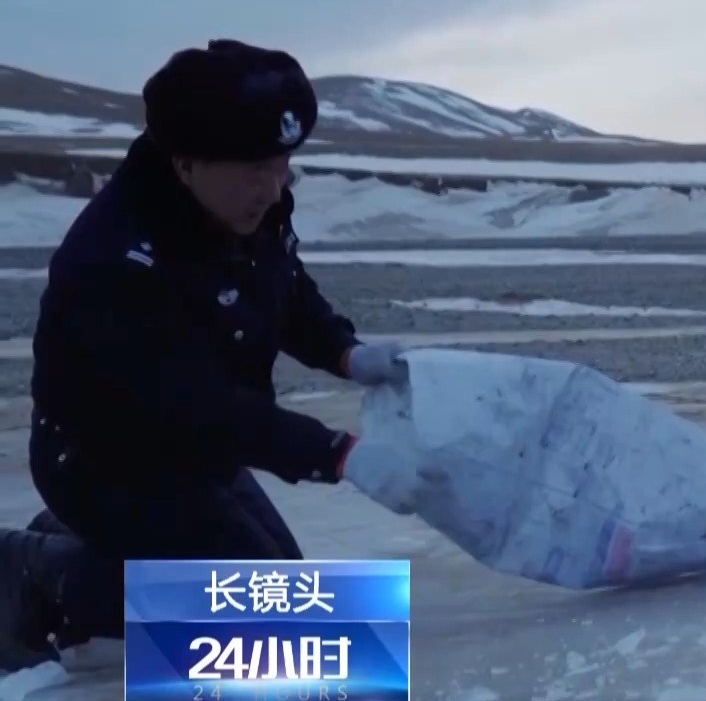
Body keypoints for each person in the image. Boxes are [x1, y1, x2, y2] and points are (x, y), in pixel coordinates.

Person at [0, 39, 408, 670]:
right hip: (107, 460)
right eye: (255, 170)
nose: (273, 190)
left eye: (282, 167)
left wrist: (346, 353)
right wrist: (335, 452)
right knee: (281, 639)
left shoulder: (247, 206)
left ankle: (92, 552)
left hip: (199, 453)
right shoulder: (114, 262)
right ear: (185, 162)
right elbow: (196, 404)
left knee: (289, 600)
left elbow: (285, 285)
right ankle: (42, 582)